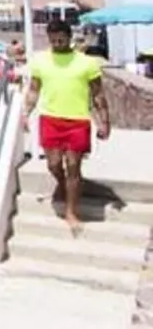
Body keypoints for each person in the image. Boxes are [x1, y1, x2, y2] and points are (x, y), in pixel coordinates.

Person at [23, 18, 112, 235]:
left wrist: (104, 121)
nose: (58, 43)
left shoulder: (87, 63)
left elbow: (98, 94)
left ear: (69, 37)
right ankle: (61, 184)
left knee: (73, 166)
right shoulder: (40, 61)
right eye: (53, 40)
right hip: (50, 119)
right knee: (53, 165)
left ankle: (72, 211)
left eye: (61, 39)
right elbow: (34, 90)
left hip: (78, 121)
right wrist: (25, 113)